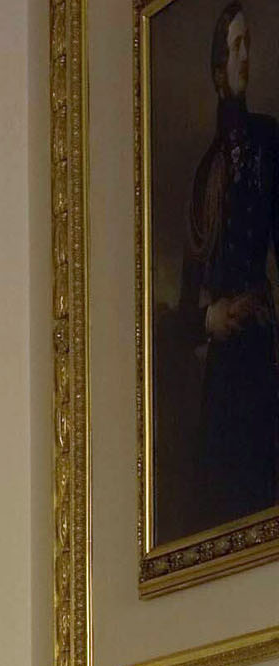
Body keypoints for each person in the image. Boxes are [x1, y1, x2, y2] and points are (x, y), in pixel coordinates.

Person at [187, 3, 279, 529]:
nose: (246, 56)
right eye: (235, 47)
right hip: (222, 370)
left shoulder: (270, 141)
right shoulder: (203, 175)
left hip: (261, 349)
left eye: (250, 44)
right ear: (219, 71)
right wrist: (210, 319)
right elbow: (184, 303)